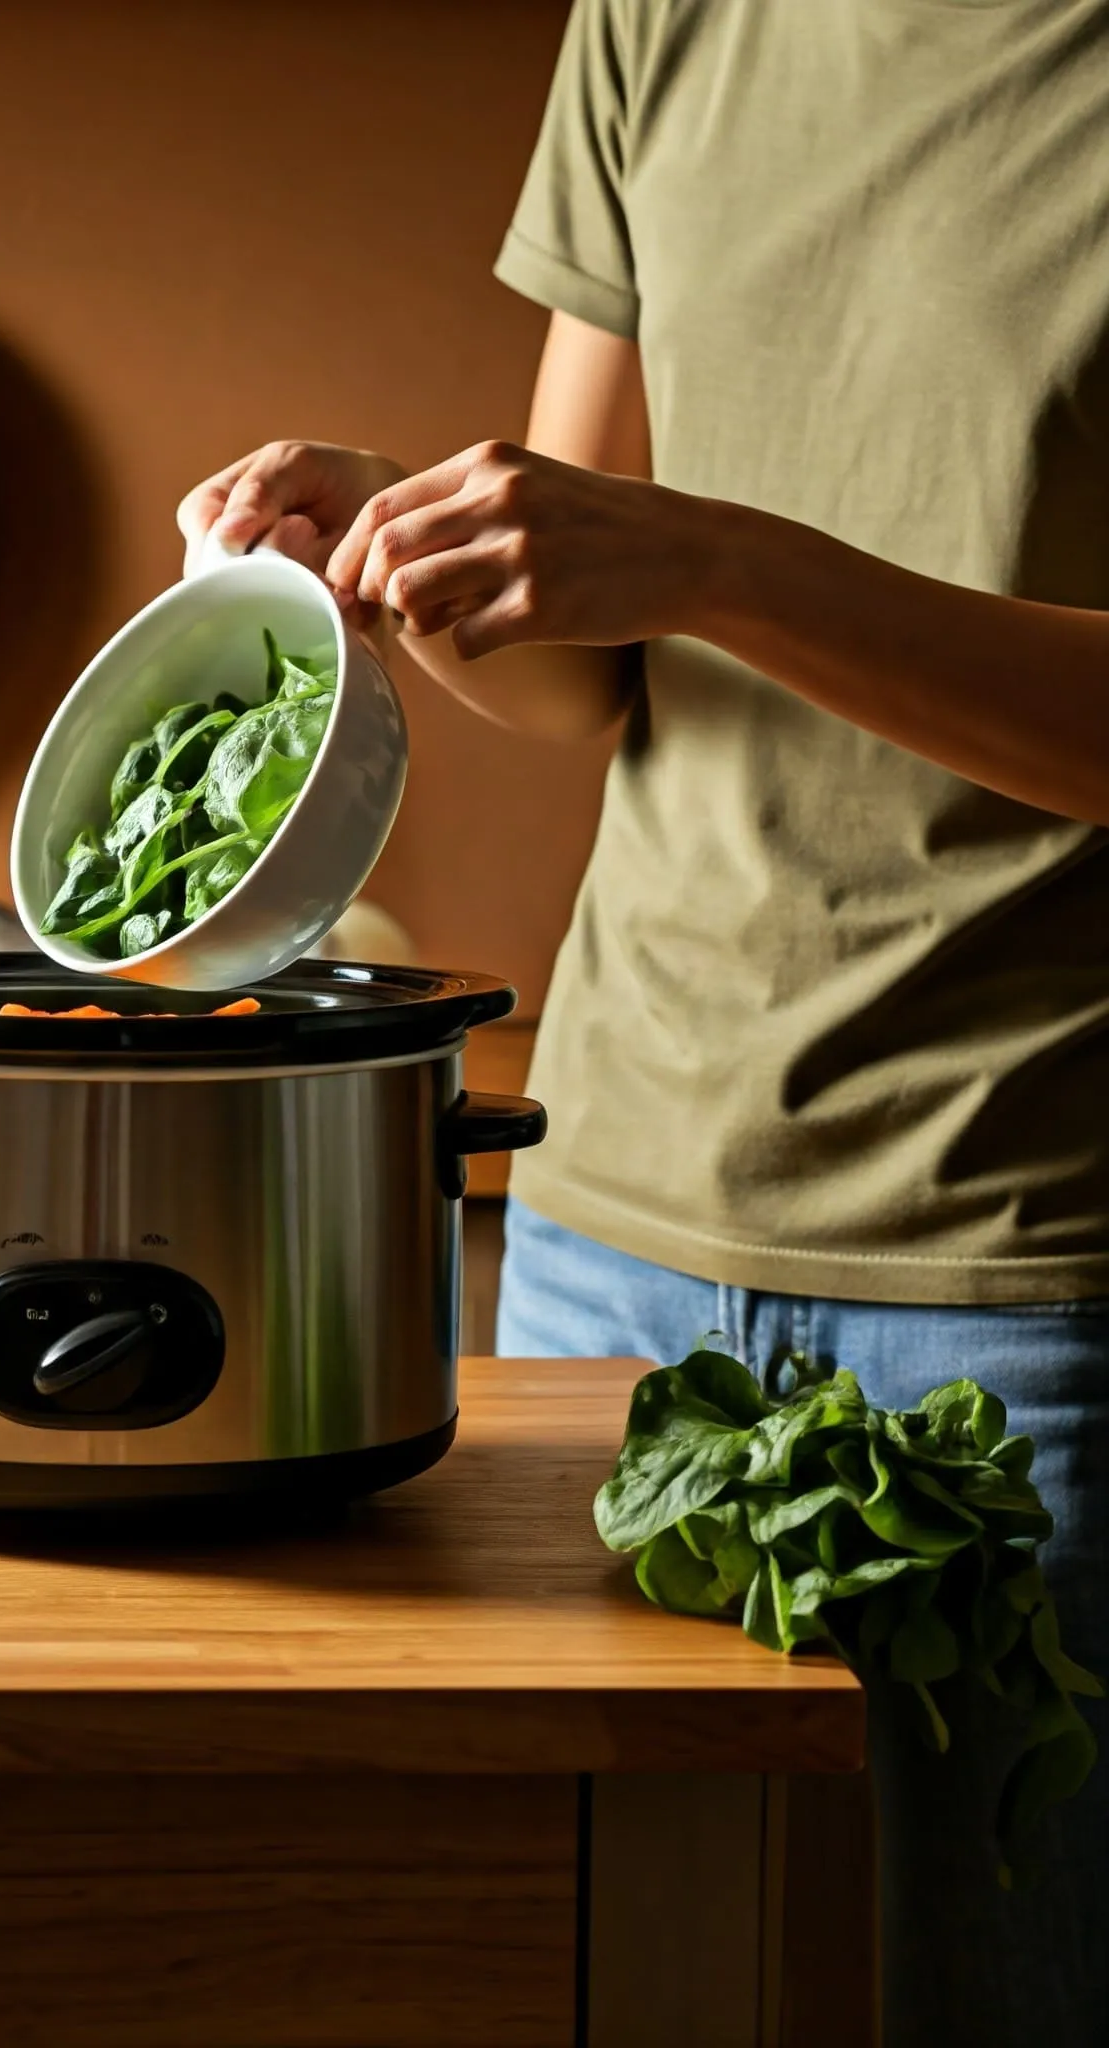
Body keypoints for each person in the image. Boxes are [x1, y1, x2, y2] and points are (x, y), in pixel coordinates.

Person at [175, 3, 1109, 2042]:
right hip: (611, 1239)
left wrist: (701, 553)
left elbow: (695, 575)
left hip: (1029, 1266)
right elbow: (598, 677)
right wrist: (409, 551)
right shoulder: (665, 20)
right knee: (602, 1976)